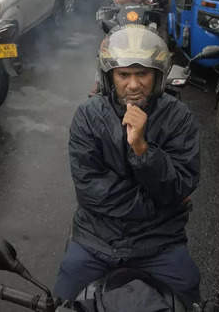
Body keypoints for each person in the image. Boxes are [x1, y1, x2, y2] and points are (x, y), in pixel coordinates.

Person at [55, 25, 201, 304]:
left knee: (189, 297)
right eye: (124, 75)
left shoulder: (179, 117)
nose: (133, 85)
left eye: (142, 74)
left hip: (159, 243)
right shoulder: (88, 117)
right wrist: (158, 204)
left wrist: (142, 149)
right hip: (95, 240)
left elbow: (181, 183)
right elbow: (90, 191)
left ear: (157, 75)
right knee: (63, 299)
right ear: (109, 76)